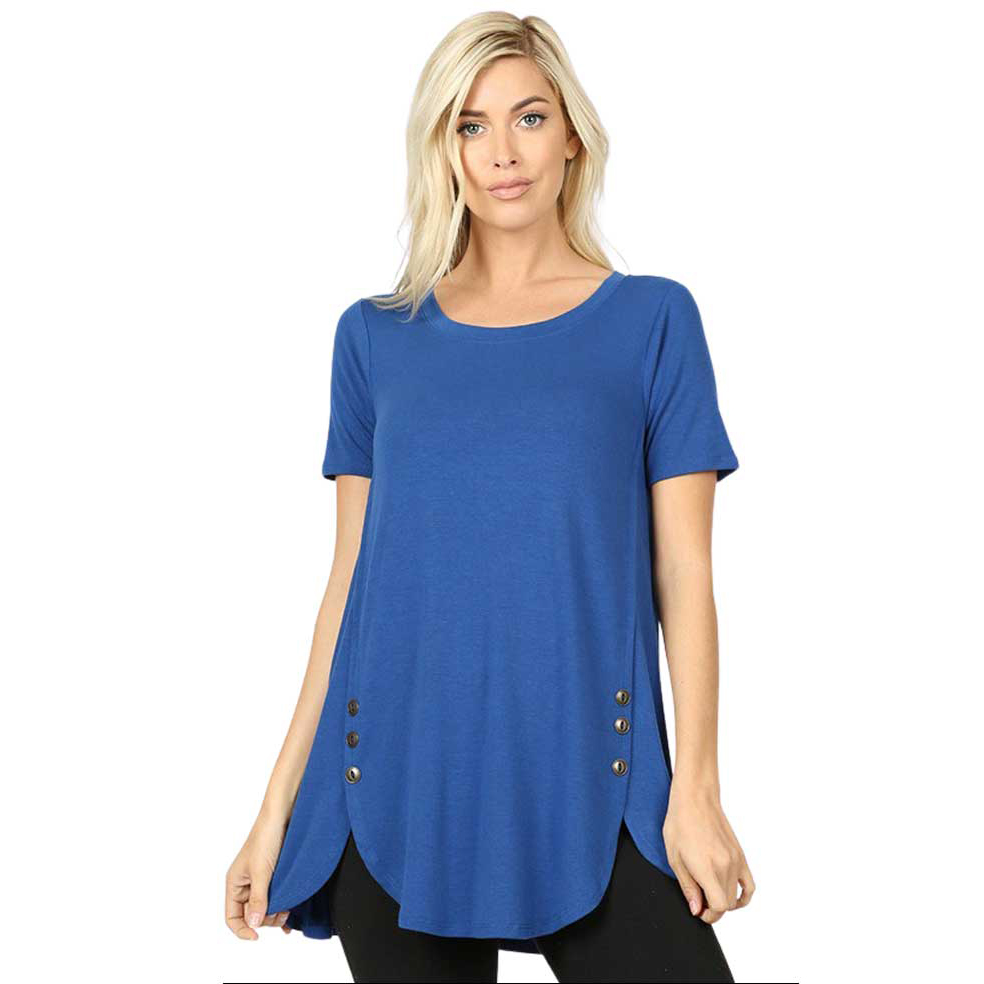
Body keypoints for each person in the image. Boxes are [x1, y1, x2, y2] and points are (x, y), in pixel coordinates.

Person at [225, 12, 754, 982]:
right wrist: (274, 810)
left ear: (573, 136)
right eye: (471, 125)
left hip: (594, 777)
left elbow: (684, 573)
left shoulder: (652, 322)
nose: (502, 152)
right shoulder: (375, 337)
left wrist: (699, 792)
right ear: (444, 148)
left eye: (529, 117)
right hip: (397, 783)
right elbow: (348, 584)